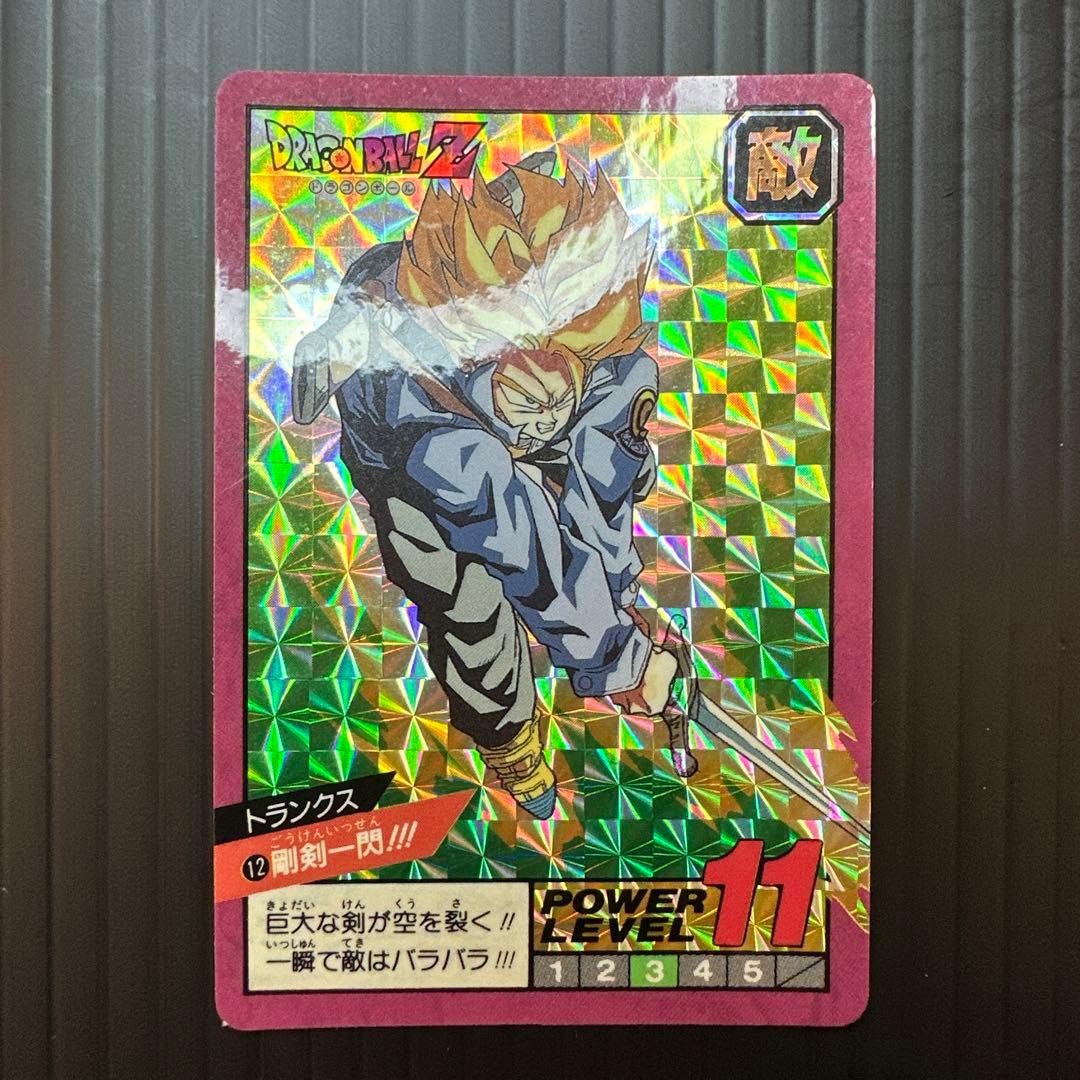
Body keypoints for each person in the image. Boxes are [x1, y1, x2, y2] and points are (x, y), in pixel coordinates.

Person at [291, 152, 696, 819]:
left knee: (583, 499)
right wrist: (614, 658)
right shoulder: (416, 407)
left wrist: (617, 607)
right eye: (525, 379)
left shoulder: (601, 331)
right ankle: (508, 741)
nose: (547, 387)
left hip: (487, 403)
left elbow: (605, 476)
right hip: (410, 469)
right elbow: (514, 532)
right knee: (469, 604)